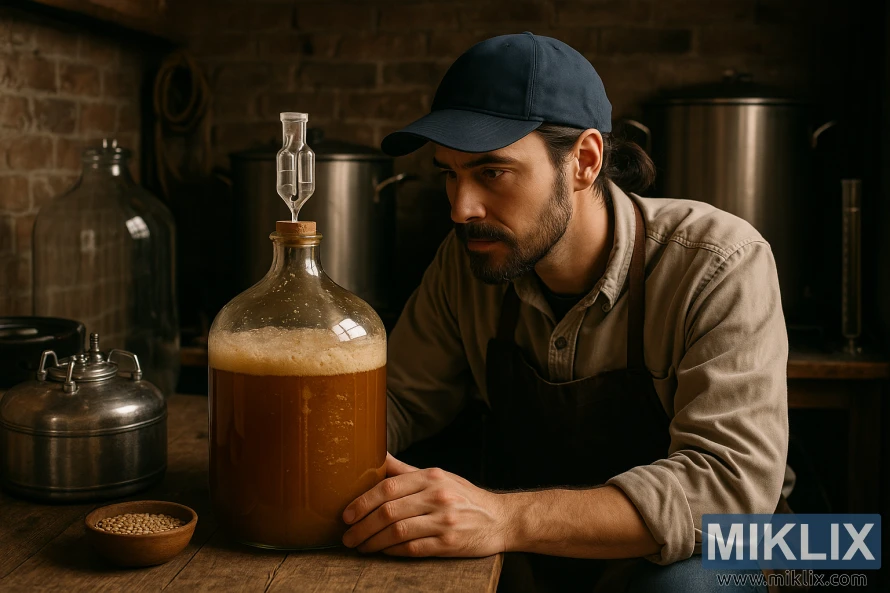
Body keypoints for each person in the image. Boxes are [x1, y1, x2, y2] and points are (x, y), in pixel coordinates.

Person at [339, 32, 787, 593]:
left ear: (585, 161)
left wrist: (504, 518)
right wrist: (321, 448)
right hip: (543, 547)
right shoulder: (470, 260)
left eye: (491, 172)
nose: (460, 208)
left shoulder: (720, 263)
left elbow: (729, 489)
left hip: (722, 548)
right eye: (448, 174)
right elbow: (400, 399)